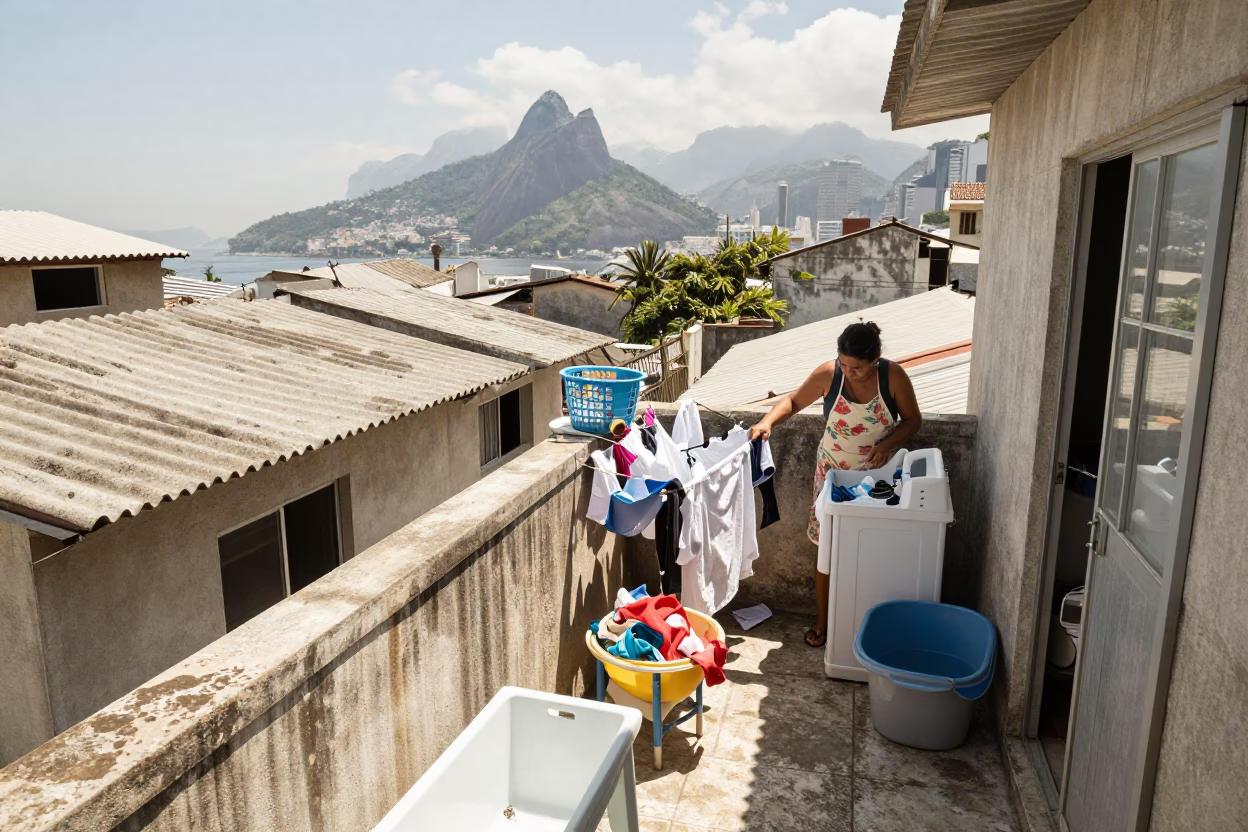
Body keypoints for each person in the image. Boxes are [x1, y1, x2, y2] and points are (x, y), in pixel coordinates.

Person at [748, 321, 922, 647]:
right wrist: (766, 422)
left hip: (875, 480)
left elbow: (913, 420)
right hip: (830, 474)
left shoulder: (893, 377)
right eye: (844, 363)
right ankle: (823, 619)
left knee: (868, 549)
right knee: (826, 548)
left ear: (875, 360)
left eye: (857, 367)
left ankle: (865, 620)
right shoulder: (829, 374)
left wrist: (888, 445)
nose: (849, 372)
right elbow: (794, 402)